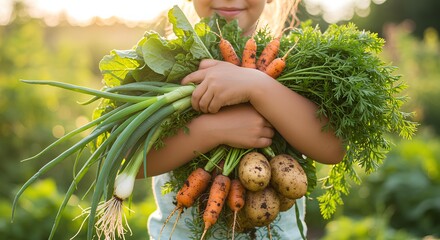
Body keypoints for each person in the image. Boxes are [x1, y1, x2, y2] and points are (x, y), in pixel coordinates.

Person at [141, 0, 346, 239]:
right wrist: (213, 130)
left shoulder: (300, 61)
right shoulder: (168, 62)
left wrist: (258, 87)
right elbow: (131, 162)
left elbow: (334, 149)